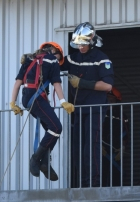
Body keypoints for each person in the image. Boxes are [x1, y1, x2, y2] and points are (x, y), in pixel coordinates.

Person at [10, 42, 74, 181]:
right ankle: (36, 159)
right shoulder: (52, 60)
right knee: (56, 127)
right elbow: (56, 82)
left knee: (50, 131)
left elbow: (17, 83)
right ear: (54, 52)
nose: (58, 60)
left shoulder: (29, 59)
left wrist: (13, 103)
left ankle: (45, 164)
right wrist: (63, 101)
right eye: (59, 56)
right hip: (38, 99)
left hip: (27, 99)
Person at [63, 22, 114, 187]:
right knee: (78, 149)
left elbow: (108, 86)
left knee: (91, 148)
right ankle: (82, 185)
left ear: (92, 39)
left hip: (95, 110)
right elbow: (54, 64)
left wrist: (82, 83)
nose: (81, 47)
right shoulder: (73, 57)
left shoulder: (102, 59)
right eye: (78, 44)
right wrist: (37, 59)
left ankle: (94, 185)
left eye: (83, 43)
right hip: (78, 110)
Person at [102, 87, 129, 187]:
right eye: (107, 99)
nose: (109, 102)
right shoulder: (98, 114)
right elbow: (93, 131)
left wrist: (123, 147)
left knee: (117, 175)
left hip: (116, 150)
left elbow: (126, 132)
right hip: (101, 150)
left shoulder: (122, 115)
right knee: (101, 173)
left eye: (111, 100)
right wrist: (97, 146)